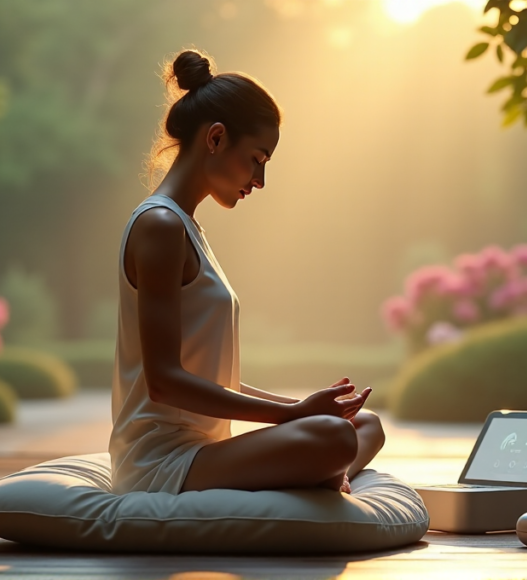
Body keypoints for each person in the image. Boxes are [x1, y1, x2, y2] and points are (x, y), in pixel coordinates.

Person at [109, 49, 386, 496]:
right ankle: (318, 478)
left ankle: (321, 474)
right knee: (334, 438)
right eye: (257, 158)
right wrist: (294, 418)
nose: (259, 180)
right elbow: (163, 382)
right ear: (216, 138)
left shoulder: (185, 227)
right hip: (163, 464)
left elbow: (209, 375)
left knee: (363, 424)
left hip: (207, 452)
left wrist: (302, 407)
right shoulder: (159, 226)